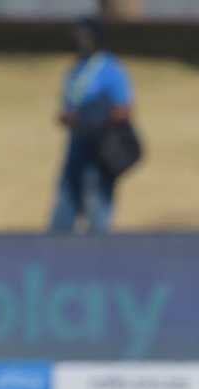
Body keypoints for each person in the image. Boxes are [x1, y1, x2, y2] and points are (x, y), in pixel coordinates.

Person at [49, 16, 135, 234]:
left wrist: (91, 119)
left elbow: (123, 109)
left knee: (97, 207)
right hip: (76, 148)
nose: (79, 41)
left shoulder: (110, 69)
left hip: (100, 149)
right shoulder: (76, 70)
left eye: (84, 36)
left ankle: (100, 259)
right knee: (64, 205)